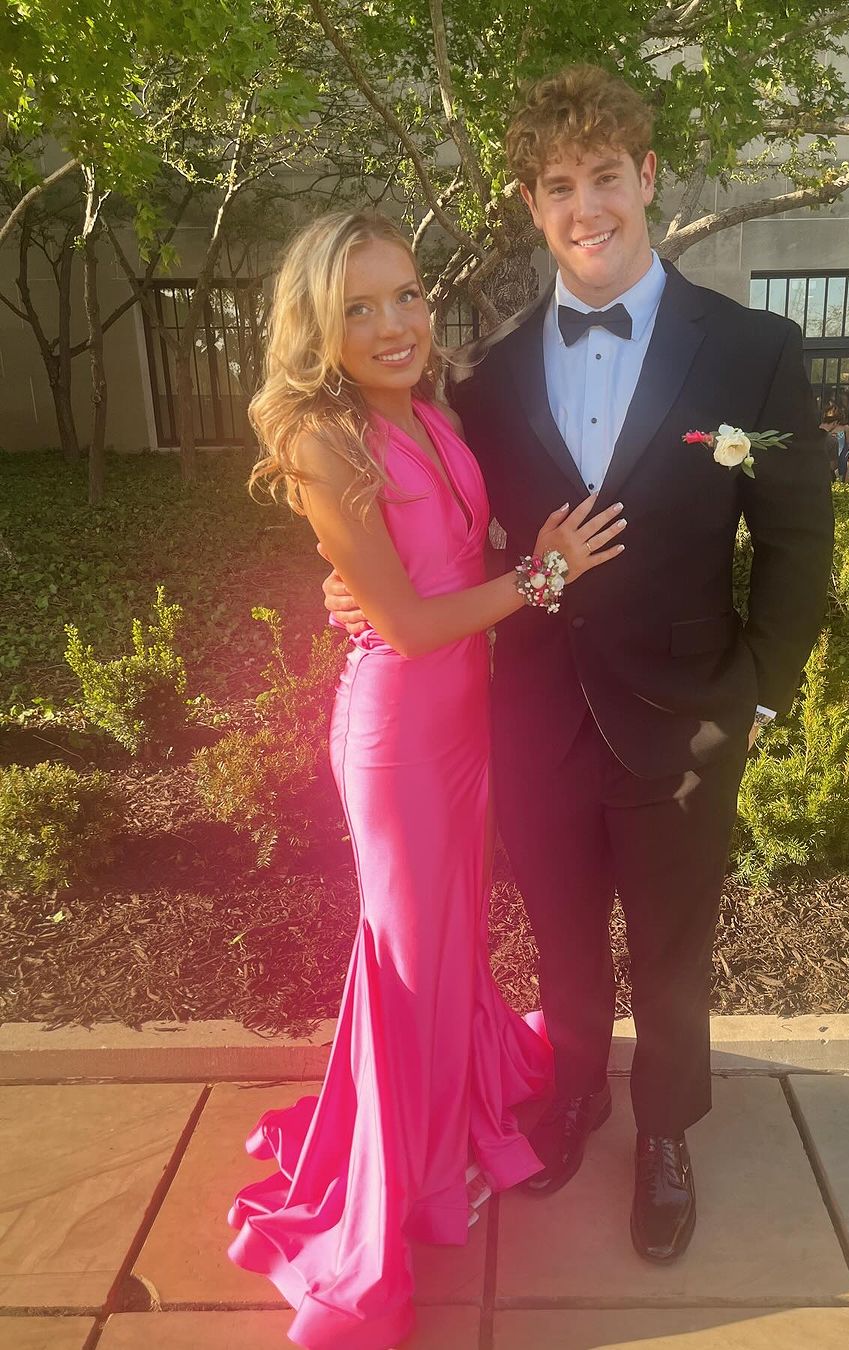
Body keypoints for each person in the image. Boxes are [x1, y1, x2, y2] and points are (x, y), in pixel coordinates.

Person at [323, 65, 834, 1266]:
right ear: (532, 204)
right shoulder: (485, 376)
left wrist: (759, 694)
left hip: (689, 709)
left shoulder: (752, 350)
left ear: (647, 178)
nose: (586, 206)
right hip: (536, 709)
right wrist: (349, 584)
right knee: (560, 935)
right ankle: (572, 1097)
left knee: (671, 948)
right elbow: (438, 518)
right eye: (560, 185)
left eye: (606, 176)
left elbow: (799, 533)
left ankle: (665, 1133)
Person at [225, 210, 626, 1350]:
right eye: (358, 308)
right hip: (398, 735)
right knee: (405, 954)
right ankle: (393, 1187)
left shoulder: (431, 411)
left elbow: (441, 565)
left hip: (463, 720)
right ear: (318, 325)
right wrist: (543, 577)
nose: (394, 323)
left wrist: (493, 572)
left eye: (405, 295)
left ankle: (444, 1123)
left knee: (451, 934)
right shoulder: (324, 439)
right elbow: (403, 624)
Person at [821, 401, 849, 479]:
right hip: (830, 455)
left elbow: (848, 444)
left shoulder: (845, 427)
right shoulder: (825, 428)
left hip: (841, 456)